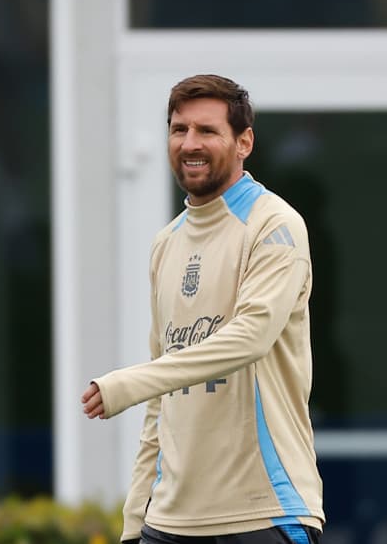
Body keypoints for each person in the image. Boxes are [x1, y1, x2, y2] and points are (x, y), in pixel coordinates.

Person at [81, 75, 325, 544]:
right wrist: (135, 520)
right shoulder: (166, 243)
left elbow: (250, 337)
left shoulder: (274, 225)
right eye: (179, 129)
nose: (190, 143)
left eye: (207, 131)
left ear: (244, 142)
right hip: (168, 522)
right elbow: (163, 394)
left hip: (262, 513)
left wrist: (127, 383)